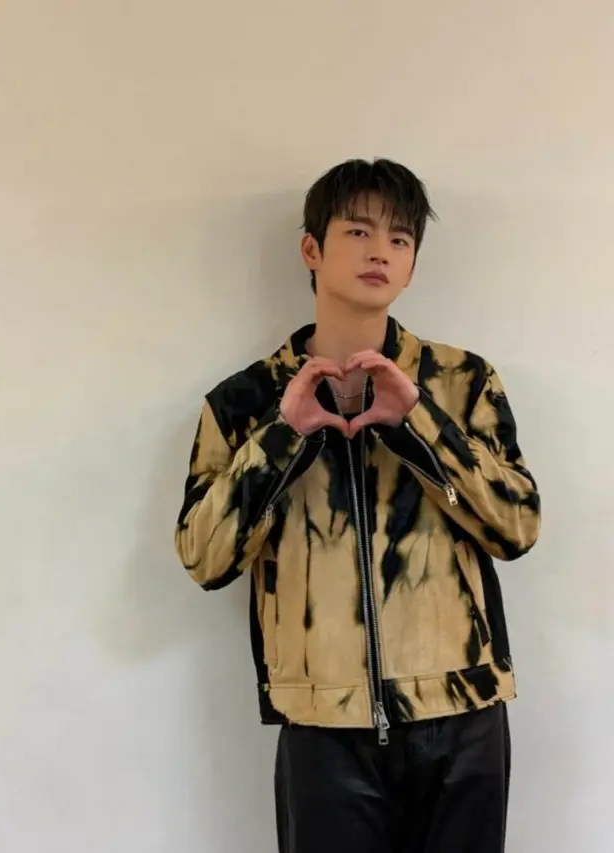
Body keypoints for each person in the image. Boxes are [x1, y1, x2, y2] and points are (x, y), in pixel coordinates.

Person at [174, 158, 541, 853]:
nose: (381, 251)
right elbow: (204, 558)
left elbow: (517, 527)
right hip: (323, 728)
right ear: (311, 249)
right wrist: (283, 436)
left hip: (462, 714)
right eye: (359, 230)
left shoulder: (462, 382)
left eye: (400, 239)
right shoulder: (243, 402)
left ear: (412, 266)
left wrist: (419, 424)